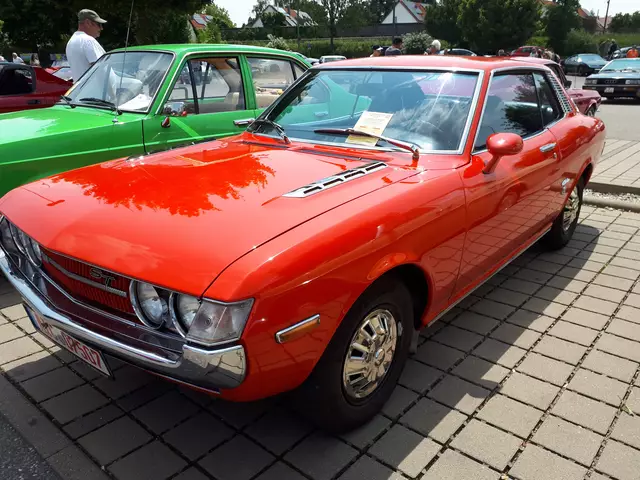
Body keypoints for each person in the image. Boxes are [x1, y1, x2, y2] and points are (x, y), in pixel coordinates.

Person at [66, 9, 107, 83]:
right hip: (96, 89)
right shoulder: (88, 40)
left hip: (82, 88)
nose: (101, 28)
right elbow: (100, 69)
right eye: (99, 24)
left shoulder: (71, 41)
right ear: (88, 23)